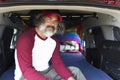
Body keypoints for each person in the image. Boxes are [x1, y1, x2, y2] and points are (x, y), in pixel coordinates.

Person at [14, 10, 86, 80]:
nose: (52, 23)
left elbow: (57, 63)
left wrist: (70, 78)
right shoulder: (26, 38)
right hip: (26, 76)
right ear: (40, 20)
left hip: (46, 71)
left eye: (55, 21)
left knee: (75, 72)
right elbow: (27, 69)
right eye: (49, 19)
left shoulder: (54, 41)